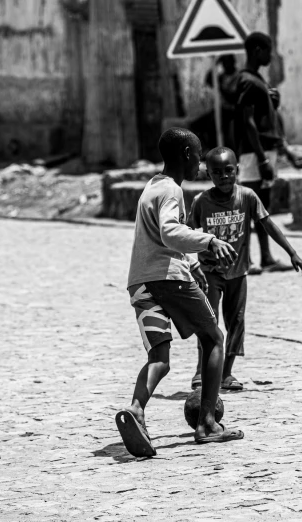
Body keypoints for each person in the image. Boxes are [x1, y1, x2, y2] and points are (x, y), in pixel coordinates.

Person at [116, 128, 244, 458]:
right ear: (186, 155)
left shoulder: (151, 187)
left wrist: (192, 263)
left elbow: (154, 237)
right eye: (199, 157)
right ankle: (207, 425)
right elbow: (170, 232)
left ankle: (136, 411)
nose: (201, 164)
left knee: (160, 358)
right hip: (166, 278)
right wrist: (208, 240)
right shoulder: (172, 190)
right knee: (214, 338)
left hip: (140, 284)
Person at [188, 146, 302, 390]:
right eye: (217, 172)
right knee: (209, 323)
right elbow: (186, 233)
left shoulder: (247, 197)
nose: (223, 176)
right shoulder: (201, 202)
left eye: (228, 171)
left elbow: (268, 225)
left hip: (238, 272)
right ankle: (202, 371)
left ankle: (226, 373)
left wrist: (292, 252)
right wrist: (189, 264)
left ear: (237, 171)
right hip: (210, 273)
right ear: (208, 174)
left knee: (237, 323)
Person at [234, 32, 293, 275]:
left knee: (261, 207)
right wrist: (262, 158)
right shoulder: (247, 80)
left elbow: (259, 115)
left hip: (264, 150)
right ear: (258, 50)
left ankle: (266, 257)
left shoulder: (257, 79)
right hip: (253, 154)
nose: (271, 55)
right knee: (248, 208)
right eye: (268, 50)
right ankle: (244, 260)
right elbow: (248, 122)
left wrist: (273, 103)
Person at [205, 54, 239, 150]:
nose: (225, 65)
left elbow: (232, 97)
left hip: (235, 110)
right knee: (204, 124)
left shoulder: (239, 76)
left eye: (227, 62)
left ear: (233, 63)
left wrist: (220, 87)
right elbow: (208, 80)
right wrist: (215, 64)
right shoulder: (222, 77)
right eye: (223, 63)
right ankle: (210, 150)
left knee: (224, 130)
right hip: (223, 109)